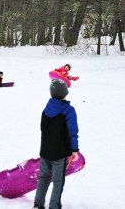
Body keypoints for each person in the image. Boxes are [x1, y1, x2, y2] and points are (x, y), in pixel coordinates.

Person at [33, 79, 79, 209]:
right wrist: (74, 149)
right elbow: (72, 131)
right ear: (65, 92)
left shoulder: (46, 110)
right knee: (58, 181)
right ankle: (54, 206)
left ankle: (38, 204)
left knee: (43, 178)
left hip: (45, 151)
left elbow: (43, 129)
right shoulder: (69, 110)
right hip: (60, 153)